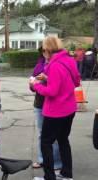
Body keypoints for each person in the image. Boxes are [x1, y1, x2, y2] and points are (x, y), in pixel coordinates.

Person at [30, 36, 80, 180]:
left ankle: (49, 177)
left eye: (43, 50)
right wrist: (47, 78)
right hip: (70, 108)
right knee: (63, 140)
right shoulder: (69, 60)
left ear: (47, 50)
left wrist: (36, 85)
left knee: (46, 143)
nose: (43, 53)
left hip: (56, 111)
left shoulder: (53, 64)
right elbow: (76, 81)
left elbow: (51, 92)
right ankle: (66, 173)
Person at [30, 47, 62, 170]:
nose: (45, 53)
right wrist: (33, 84)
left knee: (54, 135)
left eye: (48, 51)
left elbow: (57, 87)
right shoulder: (39, 65)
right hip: (39, 103)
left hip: (54, 104)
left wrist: (45, 80)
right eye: (43, 51)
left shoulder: (58, 65)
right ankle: (43, 160)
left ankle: (57, 163)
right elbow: (33, 84)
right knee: (41, 134)